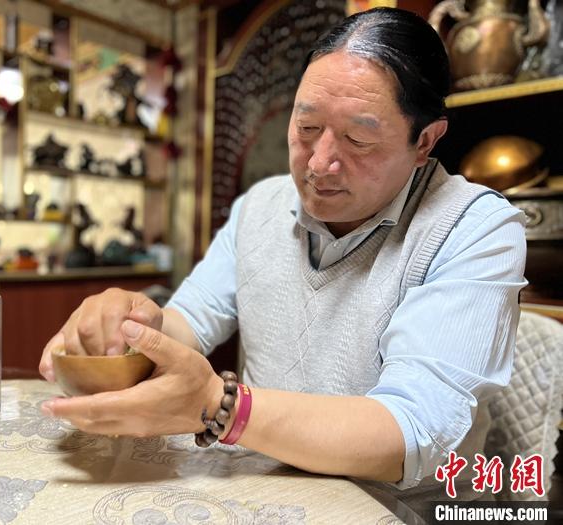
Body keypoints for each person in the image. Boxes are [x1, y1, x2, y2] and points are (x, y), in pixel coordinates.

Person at [39, 7, 526, 497]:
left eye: (358, 139)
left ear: (425, 141)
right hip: (264, 489)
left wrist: (222, 405)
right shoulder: (262, 205)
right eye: (307, 127)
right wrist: (132, 329)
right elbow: (190, 322)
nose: (319, 163)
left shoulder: (473, 228)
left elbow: (412, 432)